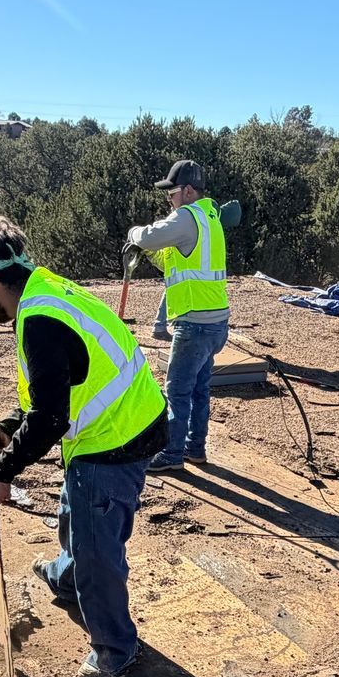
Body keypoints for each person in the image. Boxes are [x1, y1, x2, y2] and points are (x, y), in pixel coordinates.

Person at [0, 216, 168, 677]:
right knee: (77, 508)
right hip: (127, 419)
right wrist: (12, 424)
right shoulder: (46, 289)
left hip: (116, 438)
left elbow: (52, 418)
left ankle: (116, 648)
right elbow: (53, 388)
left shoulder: (38, 320)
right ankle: (67, 576)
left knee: (98, 548)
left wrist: (4, 470)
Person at [128, 160, 232, 472]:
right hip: (215, 322)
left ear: (187, 191)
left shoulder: (187, 216)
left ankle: (172, 454)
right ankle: (194, 449)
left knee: (177, 391)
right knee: (199, 390)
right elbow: (171, 260)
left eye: (172, 193)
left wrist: (134, 234)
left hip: (195, 324)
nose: (169, 200)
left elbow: (146, 235)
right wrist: (148, 253)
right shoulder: (208, 217)